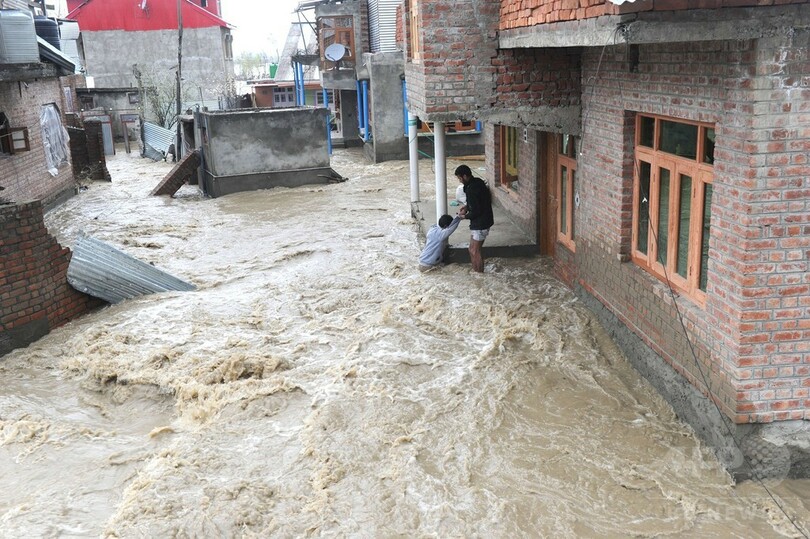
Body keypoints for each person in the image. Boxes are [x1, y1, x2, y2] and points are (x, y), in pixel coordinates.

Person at [455, 164, 494, 273]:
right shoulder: (478, 182)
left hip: (481, 223)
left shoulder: (471, 189)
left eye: (460, 178)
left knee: (474, 250)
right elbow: (478, 201)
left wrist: (464, 216)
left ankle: (479, 274)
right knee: (472, 249)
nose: (460, 181)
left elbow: (476, 211)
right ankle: (476, 272)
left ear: (465, 176)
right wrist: (466, 207)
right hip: (483, 220)